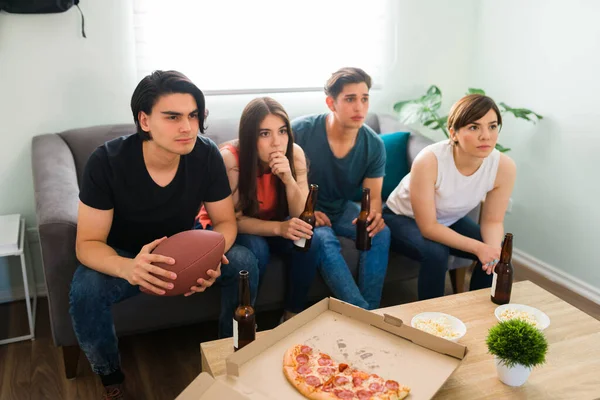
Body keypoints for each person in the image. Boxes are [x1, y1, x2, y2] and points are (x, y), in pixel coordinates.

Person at [69, 70, 258, 399]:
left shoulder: (206, 154)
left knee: (244, 261)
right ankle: (108, 372)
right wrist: (129, 268)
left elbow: (226, 224)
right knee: (85, 288)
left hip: (186, 244)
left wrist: (210, 261)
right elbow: (87, 245)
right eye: (172, 117)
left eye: (193, 116)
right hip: (125, 253)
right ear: (144, 120)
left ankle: (230, 352)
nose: (186, 127)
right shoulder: (106, 162)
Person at [197, 97, 320, 322]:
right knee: (257, 249)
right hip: (235, 226)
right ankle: (248, 318)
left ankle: (292, 314)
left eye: (282, 131)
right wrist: (280, 228)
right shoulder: (230, 159)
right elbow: (233, 220)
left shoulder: (295, 154)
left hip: (271, 221)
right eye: (265, 134)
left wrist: (289, 180)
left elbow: (301, 215)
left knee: (310, 240)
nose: (276, 142)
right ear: (250, 136)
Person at [383, 94, 517, 300]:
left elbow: (493, 221)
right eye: (474, 127)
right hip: (401, 217)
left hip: (447, 219)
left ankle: (477, 312)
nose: (486, 136)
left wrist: (492, 252)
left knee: (496, 256)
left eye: (492, 126)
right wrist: (479, 248)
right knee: (437, 253)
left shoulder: (504, 167)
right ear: (453, 133)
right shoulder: (429, 160)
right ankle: (431, 319)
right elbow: (428, 227)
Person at [291, 67, 391, 310]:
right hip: (301, 209)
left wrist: (375, 216)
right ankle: (361, 312)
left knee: (380, 232)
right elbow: (281, 183)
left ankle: (372, 309)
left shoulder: (373, 145)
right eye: (350, 99)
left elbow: (373, 198)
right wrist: (306, 212)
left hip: (340, 208)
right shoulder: (300, 132)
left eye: (364, 99)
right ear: (331, 103)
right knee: (322, 237)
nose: (359, 108)